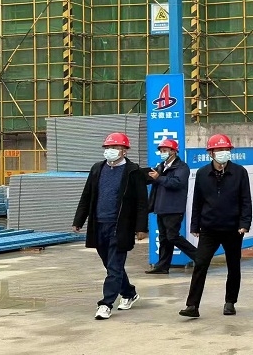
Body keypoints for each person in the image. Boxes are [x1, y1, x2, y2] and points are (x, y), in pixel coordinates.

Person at [72, 132, 148, 320]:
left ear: (124, 150)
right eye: (107, 148)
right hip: (99, 224)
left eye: (114, 147)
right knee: (111, 265)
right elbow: (87, 196)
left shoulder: (133, 171)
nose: (110, 151)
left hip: (120, 226)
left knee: (114, 266)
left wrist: (141, 227)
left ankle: (106, 304)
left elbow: (141, 202)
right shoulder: (97, 169)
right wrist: (79, 220)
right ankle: (129, 293)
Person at [179, 134, 252, 318]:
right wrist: (195, 225)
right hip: (209, 229)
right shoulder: (202, 173)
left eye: (226, 149)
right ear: (210, 153)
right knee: (200, 264)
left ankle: (230, 302)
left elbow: (246, 200)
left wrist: (244, 223)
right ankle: (192, 305)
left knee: (233, 266)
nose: (223, 153)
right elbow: (197, 201)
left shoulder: (240, 172)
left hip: (233, 229)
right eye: (219, 150)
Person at [145, 138, 197, 274]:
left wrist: (158, 178)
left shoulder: (182, 167)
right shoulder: (161, 166)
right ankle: (162, 266)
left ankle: (199, 257)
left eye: (165, 150)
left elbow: (177, 183)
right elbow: (155, 181)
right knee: (164, 238)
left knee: (172, 236)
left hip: (174, 208)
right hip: (161, 206)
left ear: (173, 151)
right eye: (161, 151)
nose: (162, 153)